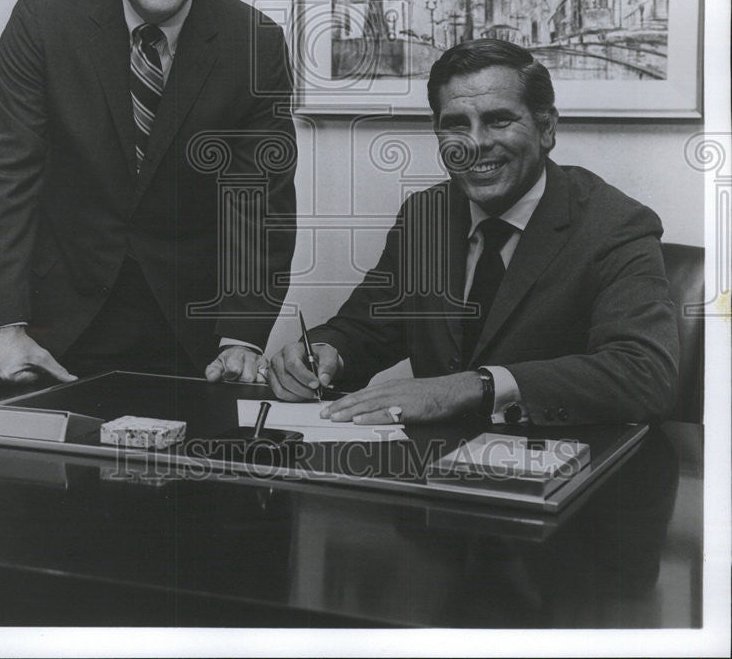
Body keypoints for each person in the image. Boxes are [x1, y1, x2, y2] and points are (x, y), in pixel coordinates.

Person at [0, 0, 296, 387]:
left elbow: (256, 199)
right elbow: (2, 173)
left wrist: (242, 335)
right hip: (51, 335)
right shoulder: (43, 18)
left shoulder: (254, 42)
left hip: (194, 342)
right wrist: (2, 324)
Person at [269, 40, 678, 426]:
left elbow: (644, 373)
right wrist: (323, 353)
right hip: (435, 475)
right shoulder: (425, 216)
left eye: (499, 120)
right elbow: (367, 328)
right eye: (456, 124)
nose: (476, 143)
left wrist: (475, 386)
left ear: (546, 128)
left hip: (565, 479)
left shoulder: (615, 225)